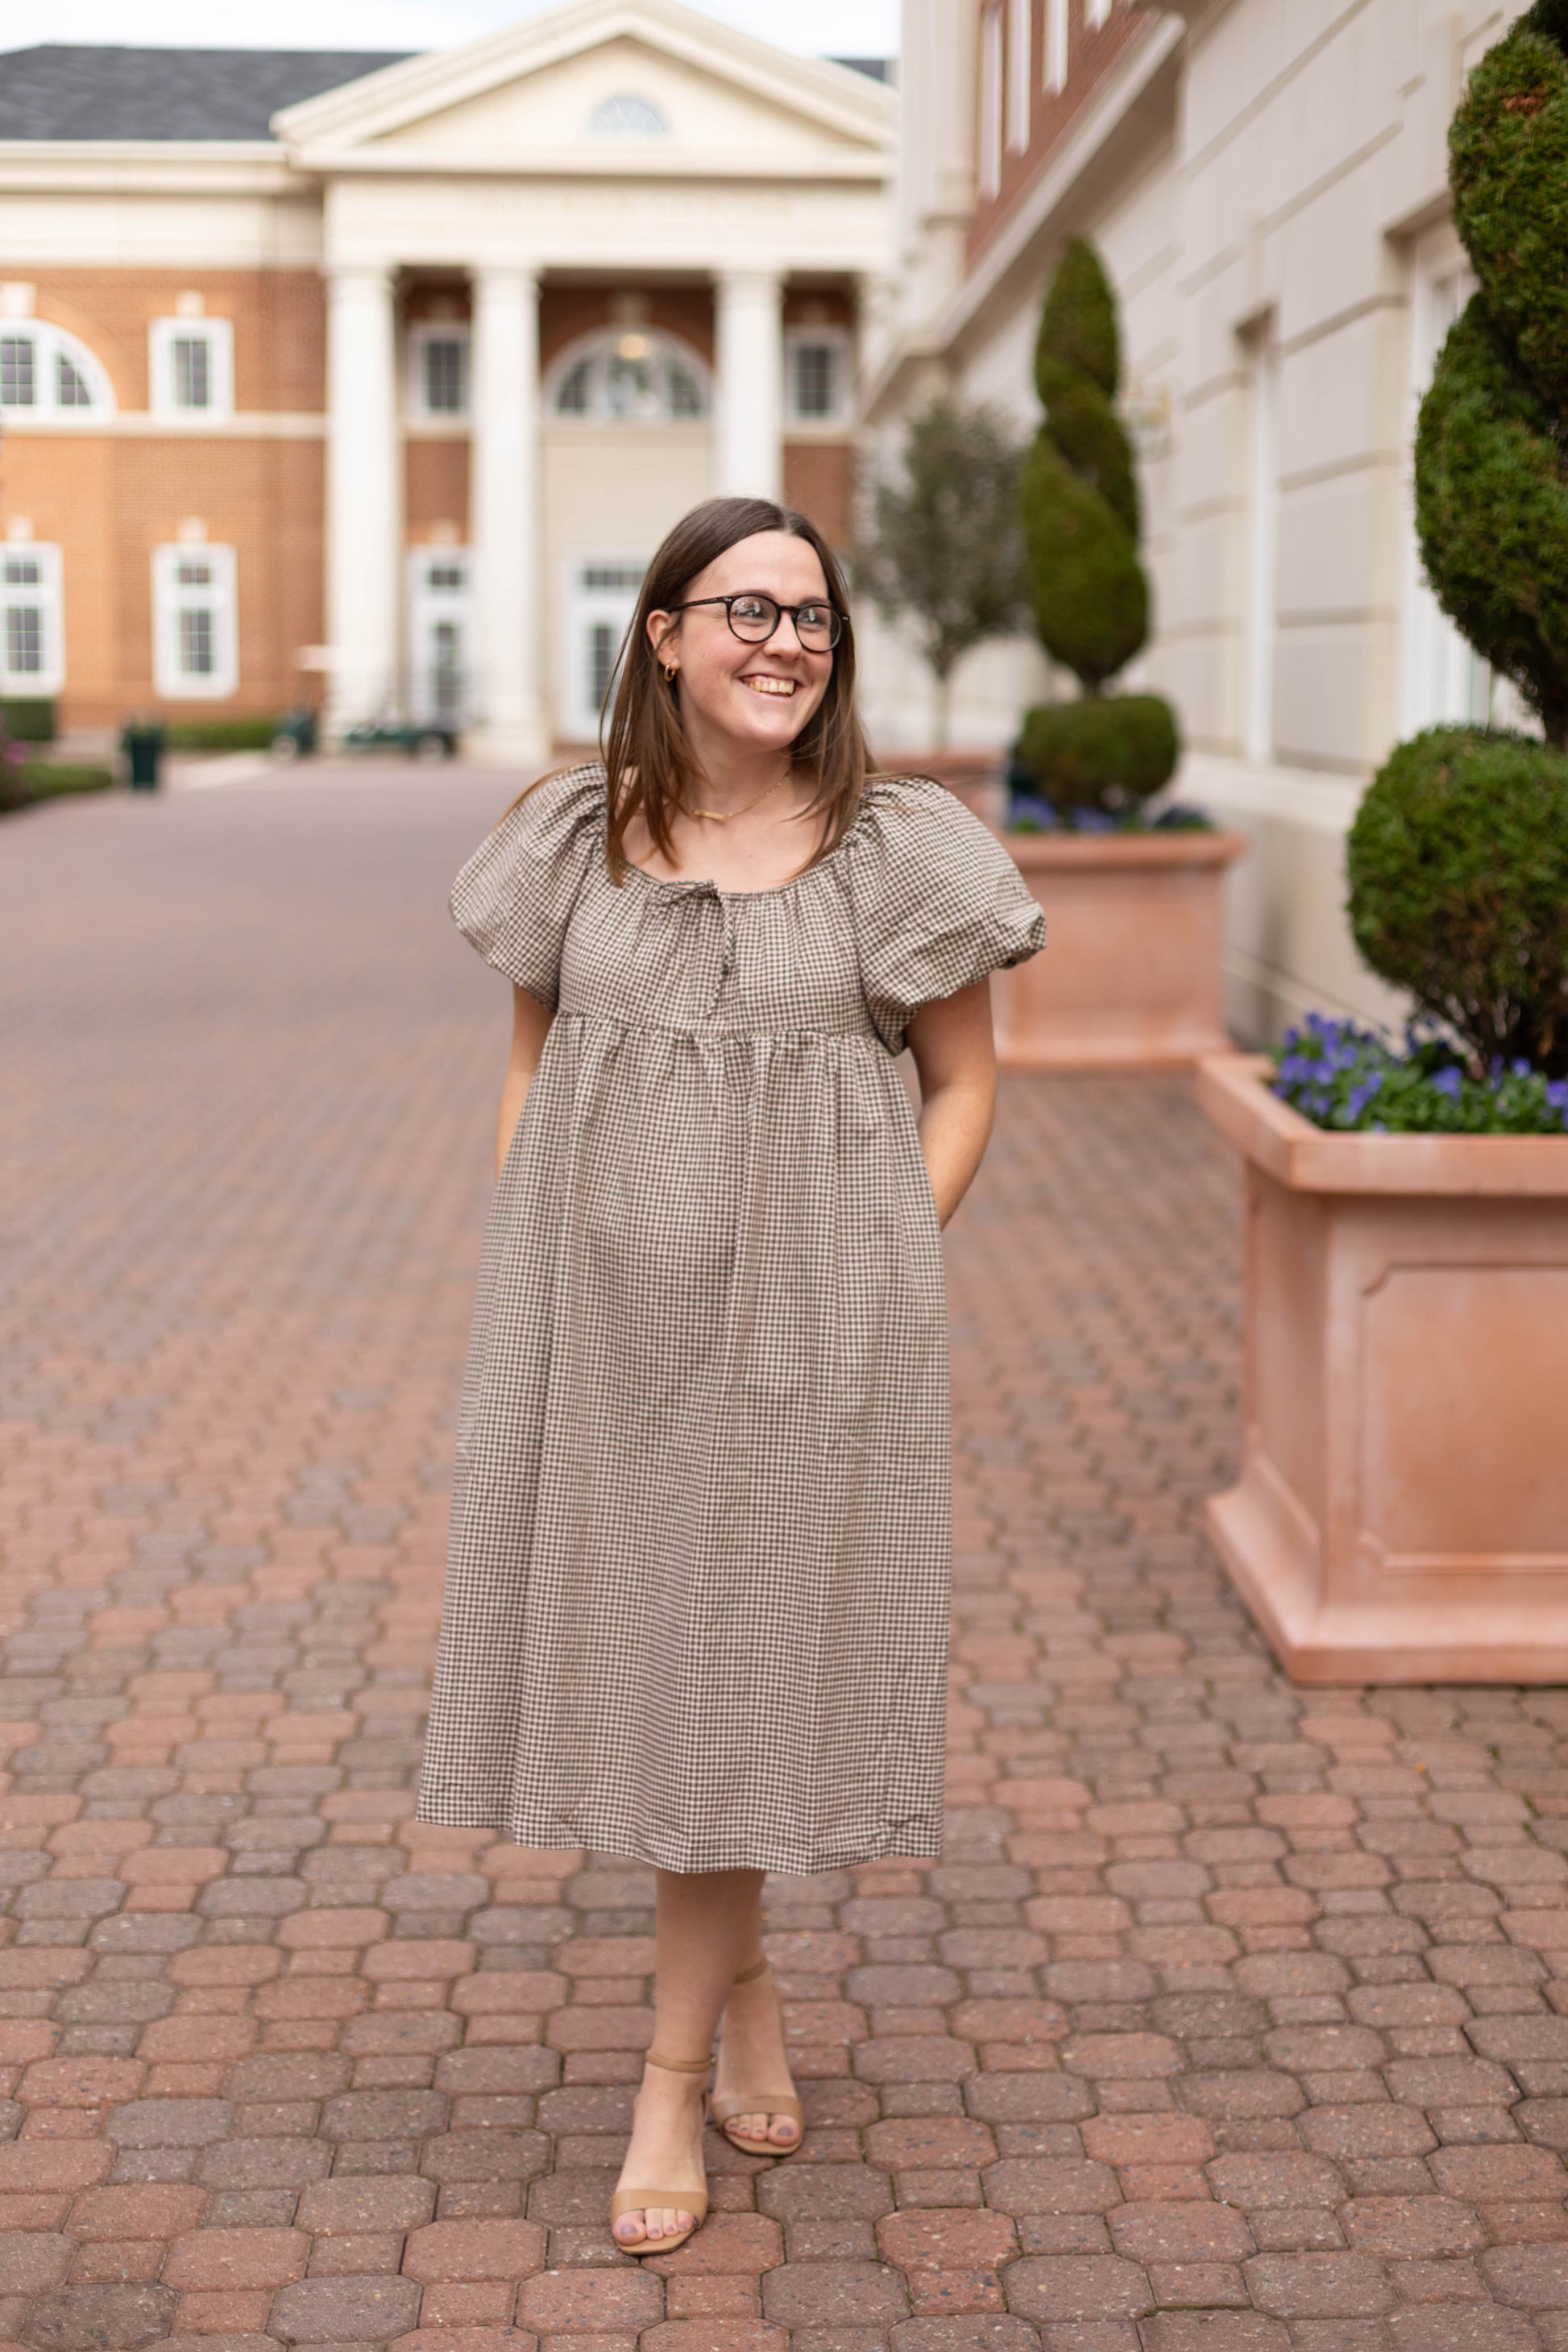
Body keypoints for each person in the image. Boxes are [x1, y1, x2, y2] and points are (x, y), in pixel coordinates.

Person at [417, 495, 1046, 2255]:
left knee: (730, 1687)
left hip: (805, 1342)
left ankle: (665, 2074)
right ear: (664, 634)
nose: (787, 643)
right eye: (751, 610)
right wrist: (544, 1262)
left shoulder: (894, 851)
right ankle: (752, 1982)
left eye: (815, 619)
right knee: (650, 1675)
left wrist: (873, 1271)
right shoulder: (570, 833)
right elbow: (535, 1071)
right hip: (601, 1335)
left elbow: (969, 1089)